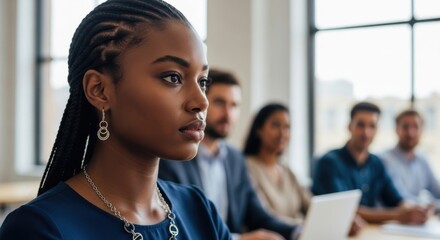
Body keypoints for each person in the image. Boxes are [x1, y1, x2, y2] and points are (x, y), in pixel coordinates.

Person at [0, 1, 232, 239]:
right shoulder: (39, 228)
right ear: (99, 90)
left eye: (202, 81)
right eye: (173, 77)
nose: (202, 102)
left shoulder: (199, 210)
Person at [159, 69, 299, 240]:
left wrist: (297, 232)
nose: (228, 114)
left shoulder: (235, 158)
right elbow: (177, 228)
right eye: (219, 103)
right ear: (202, 102)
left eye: (234, 105)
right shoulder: (172, 158)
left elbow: (259, 216)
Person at [312, 102, 432, 225]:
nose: (366, 133)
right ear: (349, 126)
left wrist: (414, 210)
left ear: (377, 130)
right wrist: (399, 215)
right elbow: (344, 210)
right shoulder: (329, 163)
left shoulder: (376, 163)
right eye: (360, 125)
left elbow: (395, 199)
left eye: (372, 126)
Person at [243, 103, 311, 225]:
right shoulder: (246, 167)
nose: (282, 133)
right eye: (275, 125)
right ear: (259, 130)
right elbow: (264, 217)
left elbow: (311, 205)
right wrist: (304, 225)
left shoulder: (286, 169)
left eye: (287, 127)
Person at [381, 109, 440, 208]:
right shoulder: (385, 160)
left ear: (422, 130)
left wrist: (432, 205)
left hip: (418, 219)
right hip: (393, 219)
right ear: (396, 129)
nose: (410, 133)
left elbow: (437, 190)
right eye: (405, 127)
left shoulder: (422, 159)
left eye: (415, 127)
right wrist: (429, 205)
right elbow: (401, 199)